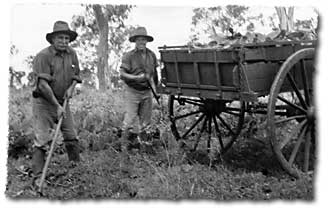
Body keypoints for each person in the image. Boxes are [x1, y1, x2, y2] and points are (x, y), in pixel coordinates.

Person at [31, 20, 82, 184]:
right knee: (42, 138)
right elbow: (43, 85)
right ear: (53, 39)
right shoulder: (43, 56)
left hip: (63, 100)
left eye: (67, 38)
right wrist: (56, 106)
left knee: (71, 134)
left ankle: (76, 168)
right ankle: (38, 176)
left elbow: (76, 75)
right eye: (60, 38)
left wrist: (71, 88)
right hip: (44, 102)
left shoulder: (72, 53)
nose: (64, 42)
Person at [119, 26, 158, 151]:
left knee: (146, 122)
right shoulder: (129, 56)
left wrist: (155, 91)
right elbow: (122, 74)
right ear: (135, 41)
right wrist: (135, 78)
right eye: (139, 39)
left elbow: (153, 75)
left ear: (147, 41)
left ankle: (145, 147)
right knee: (129, 119)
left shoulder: (152, 55)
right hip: (132, 91)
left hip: (147, 92)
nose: (141, 42)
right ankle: (124, 146)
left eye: (143, 40)